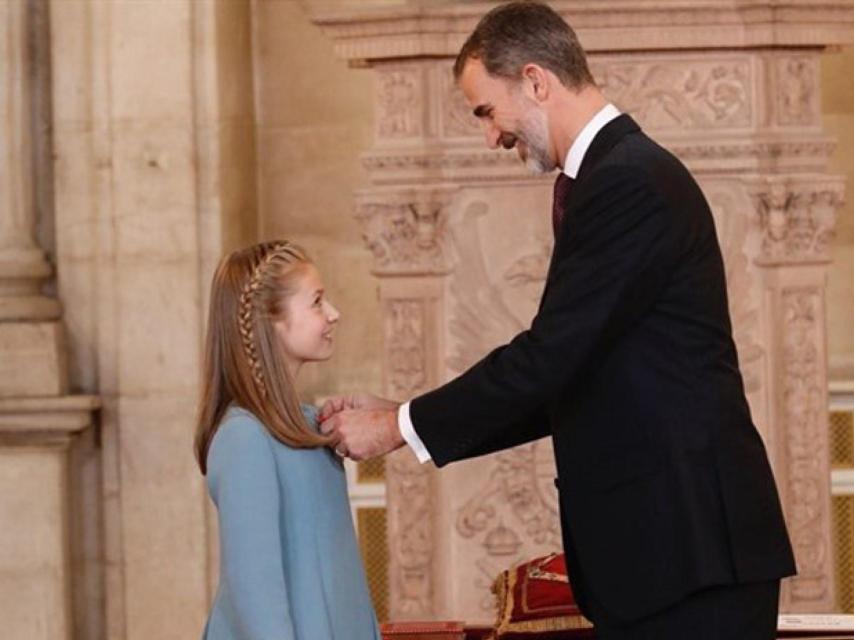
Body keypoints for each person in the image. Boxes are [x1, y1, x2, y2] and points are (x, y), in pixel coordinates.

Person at [320, 2, 796, 639]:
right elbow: (567, 376)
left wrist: (395, 427)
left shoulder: (628, 181)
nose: (490, 137)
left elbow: (547, 359)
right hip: (669, 554)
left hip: (690, 550)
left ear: (536, 81)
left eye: (487, 111)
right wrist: (405, 417)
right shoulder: (612, 175)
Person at [194, 241, 381, 640]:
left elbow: (345, 584)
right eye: (316, 302)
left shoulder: (314, 427)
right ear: (270, 321)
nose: (334, 314)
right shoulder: (244, 438)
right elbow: (256, 598)